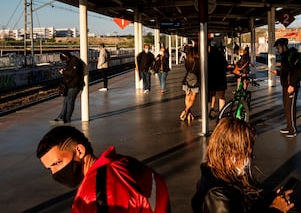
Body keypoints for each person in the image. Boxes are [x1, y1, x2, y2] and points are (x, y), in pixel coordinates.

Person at [36, 125, 171, 213]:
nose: (55, 173)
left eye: (57, 163)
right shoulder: (122, 162)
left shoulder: (98, 193)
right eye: (50, 169)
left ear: (79, 151)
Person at [191, 117, 294, 213]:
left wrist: (272, 198)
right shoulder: (217, 195)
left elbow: (249, 204)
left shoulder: (228, 175)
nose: (249, 158)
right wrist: (276, 209)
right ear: (230, 153)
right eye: (246, 153)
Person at [271, 38, 301, 138]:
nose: (277, 50)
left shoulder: (293, 55)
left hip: (291, 87)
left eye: (278, 48)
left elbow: (296, 71)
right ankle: (288, 126)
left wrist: (292, 85)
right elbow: (286, 71)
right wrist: (278, 72)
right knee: (286, 107)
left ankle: (292, 130)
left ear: (284, 46)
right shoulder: (285, 56)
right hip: (285, 86)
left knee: (290, 108)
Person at [50, 52, 84, 124]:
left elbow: (73, 73)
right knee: (66, 101)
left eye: (64, 60)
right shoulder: (71, 61)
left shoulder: (75, 61)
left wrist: (64, 71)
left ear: (66, 57)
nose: (64, 61)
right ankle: (62, 117)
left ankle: (66, 118)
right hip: (70, 84)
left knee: (69, 101)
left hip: (74, 85)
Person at [180, 46, 200, 123]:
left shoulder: (187, 60)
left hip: (186, 80)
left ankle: (189, 114)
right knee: (193, 97)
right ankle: (185, 111)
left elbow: (187, 70)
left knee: (187, 96)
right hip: (195, 81)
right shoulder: (198, 61)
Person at [208, 43, 228, 119]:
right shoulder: (222, 58)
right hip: (221, 78)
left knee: (212, 95)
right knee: (221, 96)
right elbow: (225, 67)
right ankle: (221, 112)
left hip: (212, 78)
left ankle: (212, 108)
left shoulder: (209, 58)